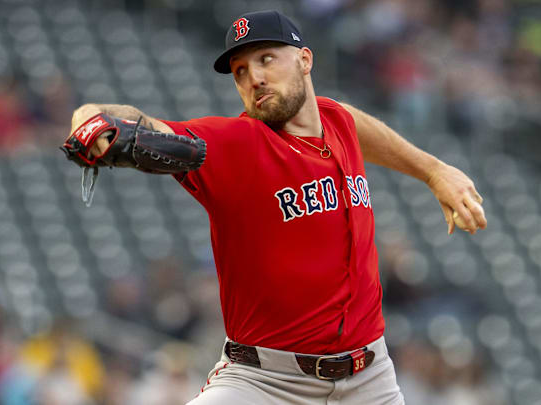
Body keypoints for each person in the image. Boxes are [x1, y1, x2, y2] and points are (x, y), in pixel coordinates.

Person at [64, 10, 487, 405]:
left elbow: (352, 123)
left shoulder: (335, 121)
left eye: (267, 59)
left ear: (305, 59)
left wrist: (433, 171)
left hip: (370, 380)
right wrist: (90, 118)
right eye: (241, 72)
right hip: (264, 382)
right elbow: (137, 122)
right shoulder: (235, 144)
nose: (255, 78)